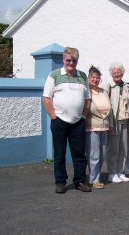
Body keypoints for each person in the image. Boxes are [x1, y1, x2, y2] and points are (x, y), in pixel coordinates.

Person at [43, 47, 91, 193]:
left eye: (74, 60)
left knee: (79, 154)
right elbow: (46, 97)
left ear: (77, 61)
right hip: (59, 122)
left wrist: (83, 116)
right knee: (59, 154)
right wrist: (53, 116)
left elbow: (88, 99)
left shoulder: (83, 76)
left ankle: (79, 181)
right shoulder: (54, 75)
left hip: (78, 122)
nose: (71, 63)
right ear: (64, 60)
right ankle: (60, 182)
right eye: (68, 60)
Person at [103, 61, 129, 184]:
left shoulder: (127, 86)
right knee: (113, 149)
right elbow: (105, 104)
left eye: (119, 72)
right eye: (114, 72)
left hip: (125, 121)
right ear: (111, 73)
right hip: (114, 121)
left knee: (124, 149)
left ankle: (120, 172)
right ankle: (111, 173)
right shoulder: (108, 85)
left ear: (122, 73)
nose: (117, 74)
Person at [85, 66, 112, 189]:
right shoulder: (86, 91)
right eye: (93, 77)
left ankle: (97, 176)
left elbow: (109, 108)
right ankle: (93, 179)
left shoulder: (103, 91)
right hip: (92, 127)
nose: (95, 79)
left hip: (104, 127)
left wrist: (110, 123)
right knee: (94, 155)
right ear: (89, 78)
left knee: (103, 154)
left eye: (97, 77)